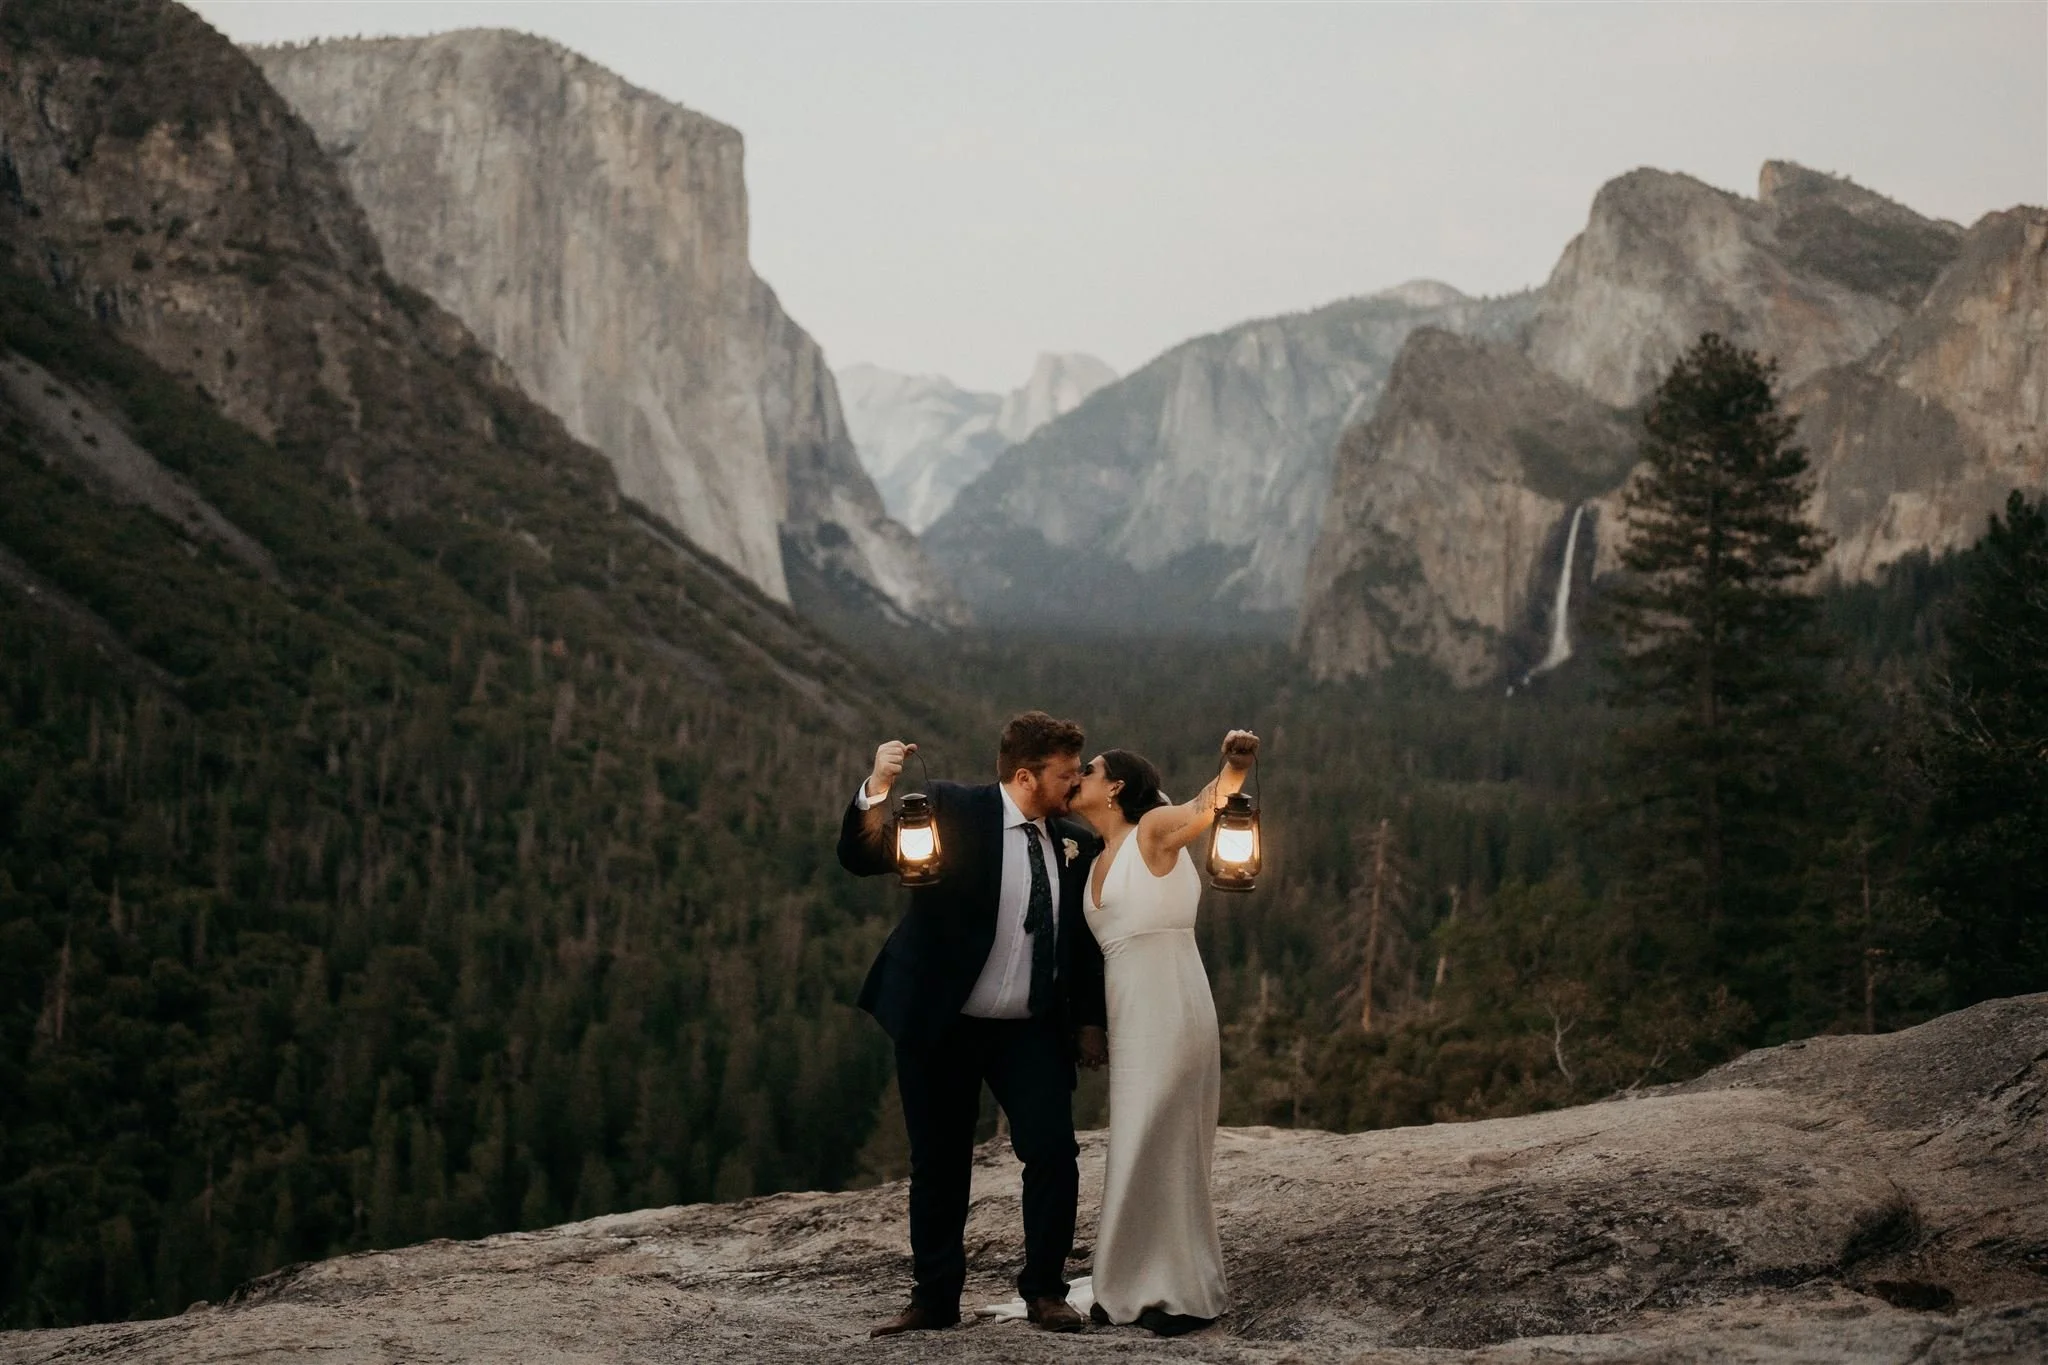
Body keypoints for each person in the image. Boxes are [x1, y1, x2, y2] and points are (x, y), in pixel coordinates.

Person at [837, 711, 1109, 1336]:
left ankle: (1045, 1292)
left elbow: (1083, 946)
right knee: (939, 1162)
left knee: (1052, 1153)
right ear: (1024, 774)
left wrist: (1089, 1024)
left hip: (1030, 1030)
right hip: (943, 1022)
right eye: (1066, 774)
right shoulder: (951, 809)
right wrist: (877, 785)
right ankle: (934, 1300)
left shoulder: (1076, 841)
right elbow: (860, 857)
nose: (1075, 785)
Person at [1064, 728, 1258, 1336]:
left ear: (1115, 786)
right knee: (1134, 1141)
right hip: (1131, 1016)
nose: (1079, 777)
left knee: (1165, 1137)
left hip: (1172, 1006)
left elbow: (1206, 805)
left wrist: (1234, 768)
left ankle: (1176, 1294)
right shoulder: (1094, 856)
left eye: (1089, 770)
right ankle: (1124, 1281)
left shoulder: (1151, 833)